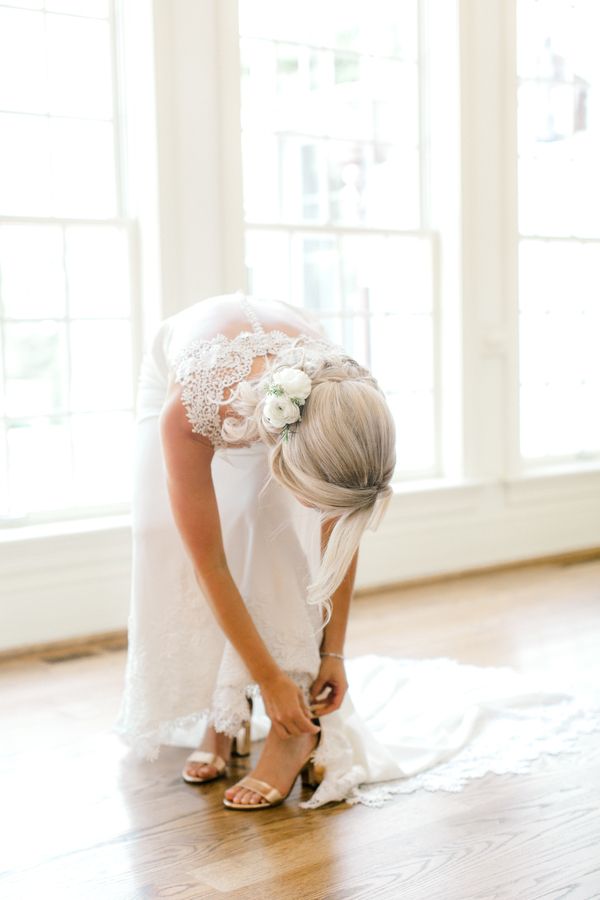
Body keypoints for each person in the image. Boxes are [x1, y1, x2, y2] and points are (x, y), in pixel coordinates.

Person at [114, 291, 599, 810]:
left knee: (272, 536)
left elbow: (337, 541)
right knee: (170, 536)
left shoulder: (349, 406)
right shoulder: (191, 411)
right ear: (289, 458)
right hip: (188, 372)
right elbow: (207, 560)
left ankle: (288, 726)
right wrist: (269, 679)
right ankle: (222, 716)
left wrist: (333, 653)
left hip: (295, 375)